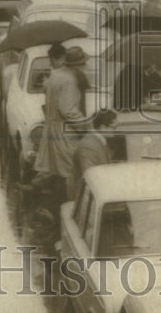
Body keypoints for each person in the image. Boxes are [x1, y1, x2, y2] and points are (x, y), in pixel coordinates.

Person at [33, 43, 88, 208]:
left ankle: (54, 207)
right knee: (70, 171)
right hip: (65, 131)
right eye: (83, 63)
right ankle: (70, 208)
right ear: (77, 65)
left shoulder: (54, 76)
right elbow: (68, 110)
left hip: (53, 130)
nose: (85, 66)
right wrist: (85, 126)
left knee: (58, 170)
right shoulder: (69, 80)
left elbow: (46, 91)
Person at [71, 109, 118, 200]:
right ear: (103, 127)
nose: (116, 130)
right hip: (87, 199)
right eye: (114, 127)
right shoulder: (88, 145)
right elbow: (90, 176)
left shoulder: (98, 141)